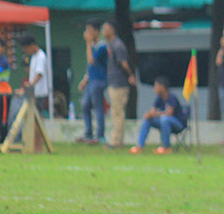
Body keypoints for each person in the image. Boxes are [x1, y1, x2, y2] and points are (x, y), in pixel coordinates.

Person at [129, 77, 186, 155]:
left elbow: (170, 113)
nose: (154, 88)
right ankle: (140, 146)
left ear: (162, 87)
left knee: (164, 119)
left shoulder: (171, 97)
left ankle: (166, 147)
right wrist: (149, 114)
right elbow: (153, 111)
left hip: (177, 123)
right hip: (164, 121)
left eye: (156, 86)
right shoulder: (158, 98)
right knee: (148, 120)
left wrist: (155, 114)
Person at [101, 19, 135, 148]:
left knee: (117, 112)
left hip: (119, 84)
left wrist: (130, 75)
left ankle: (116, 141)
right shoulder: (111, 44)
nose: (103, 31)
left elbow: (124, 63)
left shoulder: (117, 45)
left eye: (106, 28)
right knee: (115, 112)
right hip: (114, 82)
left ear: (112, 30)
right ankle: (116, 140)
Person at [77, 19, 108, 144]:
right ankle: (88, 133)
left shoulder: (102, 46)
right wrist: (85, 79)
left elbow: (91, 60)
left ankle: (100, 135)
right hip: (91, 80)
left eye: (89, 30)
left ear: (96, 31)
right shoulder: (94, 46)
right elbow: (90, 67)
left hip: (99, 80)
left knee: (98, 107)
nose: (87, 33)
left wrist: (88, 43)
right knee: (85, 105)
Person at [20, 34, 50, 118]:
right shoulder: (33, 56)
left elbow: (39, 74)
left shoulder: (41, 56)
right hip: (33, 93)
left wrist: (30, 84)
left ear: (31, 45)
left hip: (39, 93)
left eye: (26, 48)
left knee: (36, 117)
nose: (26, 51)